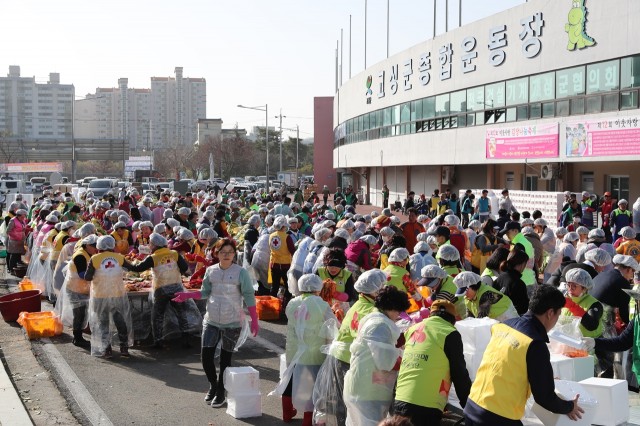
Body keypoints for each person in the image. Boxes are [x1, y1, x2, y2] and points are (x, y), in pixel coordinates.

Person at [464, 284, 585, 425]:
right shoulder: (534, 343)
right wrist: (569, 407)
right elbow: (544, 398)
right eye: (558, 315)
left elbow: (507, 364)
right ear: (550, 313)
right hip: (498, 416)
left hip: (473, 405)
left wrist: (541, 375)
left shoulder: (504, 325)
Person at [172, 238, 259, 407]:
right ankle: (213, 385)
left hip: (232, 322)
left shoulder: (241, 272)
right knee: (206, 357)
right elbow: (205, 292)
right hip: (211, 320)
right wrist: (187, 295)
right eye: (223, 252)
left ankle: (221, 391)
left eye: (230, 252)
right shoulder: (211, 271)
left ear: (235, 254)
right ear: (216, 253)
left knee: (225, 360)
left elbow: (249, 296)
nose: (227, 255)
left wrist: (254, 320)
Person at [312, 269, 388, 426]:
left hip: (339, 356)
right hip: (348, 358)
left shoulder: (359, 304)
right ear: (376, 290)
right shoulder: (370, 310)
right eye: (382, 287)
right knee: (351, 400)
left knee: (342, 398)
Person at [392, 300, 472, 425]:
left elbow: (397, 344)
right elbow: (459, 373)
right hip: (426, 406)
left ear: (430, 315)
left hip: (400, 399)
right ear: (453, 320)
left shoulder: (413, 328)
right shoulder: (450, 333)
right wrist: (469, 407)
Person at [272, 274, 336, 425]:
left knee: (290, 379)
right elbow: (331, 327)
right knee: (311, 386)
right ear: (318, 288)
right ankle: (307, 420)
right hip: (313, 353)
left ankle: (287, 413)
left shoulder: (292, 302)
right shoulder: (322, 305)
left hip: (293, 350)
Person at [343, 285, 409, 426]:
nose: (398, 316)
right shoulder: (380, 325)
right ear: (392, 307)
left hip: (363, 385)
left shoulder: (372, 318)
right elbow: (386, 361)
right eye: (398, 311)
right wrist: (407, 361)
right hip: (368, 390)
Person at [126, 233, 197, 348]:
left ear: (154, 245)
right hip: (177, 287)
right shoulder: (174, 254)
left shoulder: (153, 257)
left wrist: (124, 263)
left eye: (150, 243)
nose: (149, 245)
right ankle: (186, 339)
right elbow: (184, 269)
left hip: (161, 289)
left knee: (158, 315)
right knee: (181, 313)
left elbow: (138, 269)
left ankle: (158, 341)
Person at [84, 236, 136, 359]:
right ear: (112, 245)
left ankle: (107, 349)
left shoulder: (94, 259)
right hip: (116, 294)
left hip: (100, 295)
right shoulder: (119, 257)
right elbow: (132, 268)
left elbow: (87, 277)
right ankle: (124, 347)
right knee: (120, 320)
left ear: (99, 246)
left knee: (103, 322)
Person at [590, 254, 638, 378]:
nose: (631, 276)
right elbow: (624, 312)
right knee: (607, 355)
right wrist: (630, 325)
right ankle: (607, 378)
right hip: (601, 320)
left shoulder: (602, 274)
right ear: (628, 269)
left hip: (589, 317)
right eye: (632, 272)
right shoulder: (622, 282)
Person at [59, 235, 99, 348]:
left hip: (82, 288)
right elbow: (82, 274)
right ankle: (77, 338)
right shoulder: (80, 256)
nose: (96, 248)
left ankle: (79, 336)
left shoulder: (88, 253)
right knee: (78, 313)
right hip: (75, 289)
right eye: (94, 246)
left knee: (83, 313)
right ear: (87, 245)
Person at [562, 268, 603, 341]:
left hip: (588, 346)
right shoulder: (564, 298)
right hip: (567, 342)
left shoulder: (594, 304)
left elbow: (591, 325)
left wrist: (572, 306)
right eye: (568, 285)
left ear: (584, 288)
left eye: (574, 286)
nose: (570, 289)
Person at [494, 244, 530, 316]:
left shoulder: (499, 278)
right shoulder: (518, 283)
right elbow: (523, 309)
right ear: (522, 264)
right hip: (512, 321)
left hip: (496, 317)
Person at [6, 209, 28, 274]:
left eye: (24, 217)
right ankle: (11, 269)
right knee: (14, 255)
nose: (23, 218)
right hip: (14, 241)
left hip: (20, 240)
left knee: (18, 255)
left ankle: (16, 269)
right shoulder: (12, 221)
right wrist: (16, 236)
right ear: (18, 216)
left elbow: (22, 228)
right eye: (22, 217)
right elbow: (8, 231)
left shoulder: (22, 220)